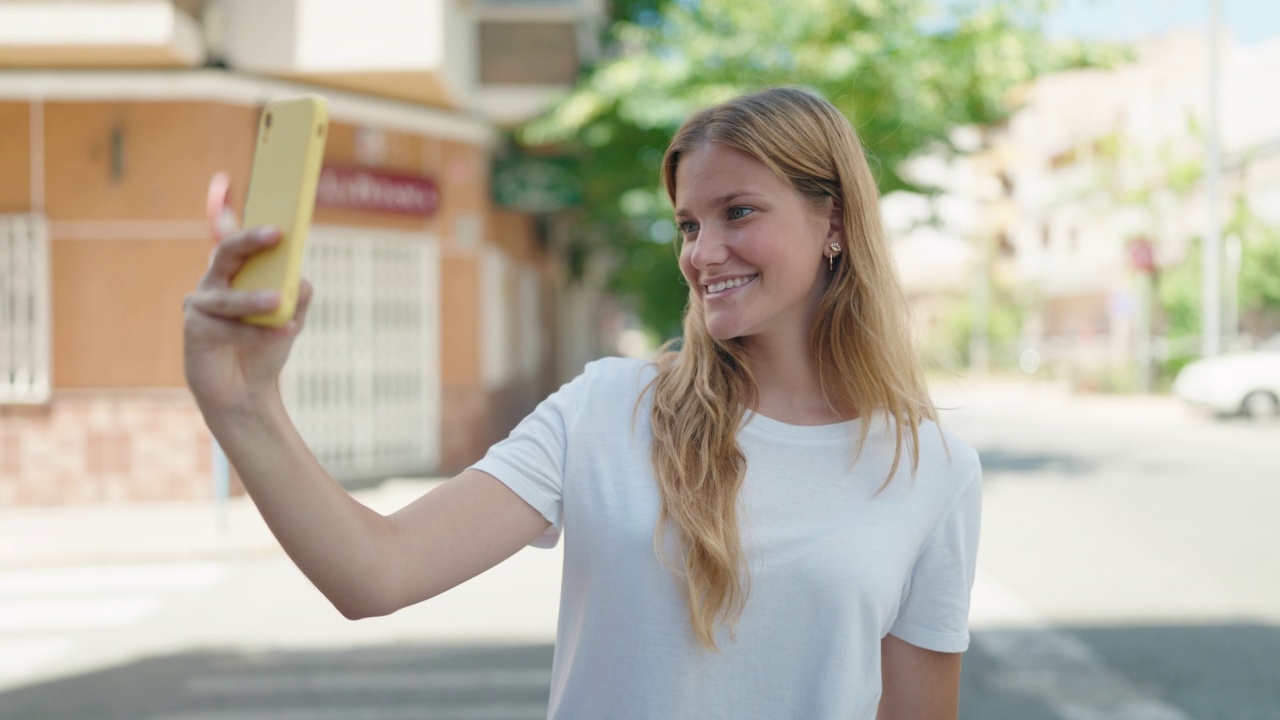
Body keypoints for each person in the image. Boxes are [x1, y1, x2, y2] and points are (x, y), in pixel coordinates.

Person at [183, 86, 982, 720]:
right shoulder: (609, 408)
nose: (703, 254)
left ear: (833, 221)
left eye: (738, 212)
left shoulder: (933, 470)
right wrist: (243, 403)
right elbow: (375, 573)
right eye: (688, 224)